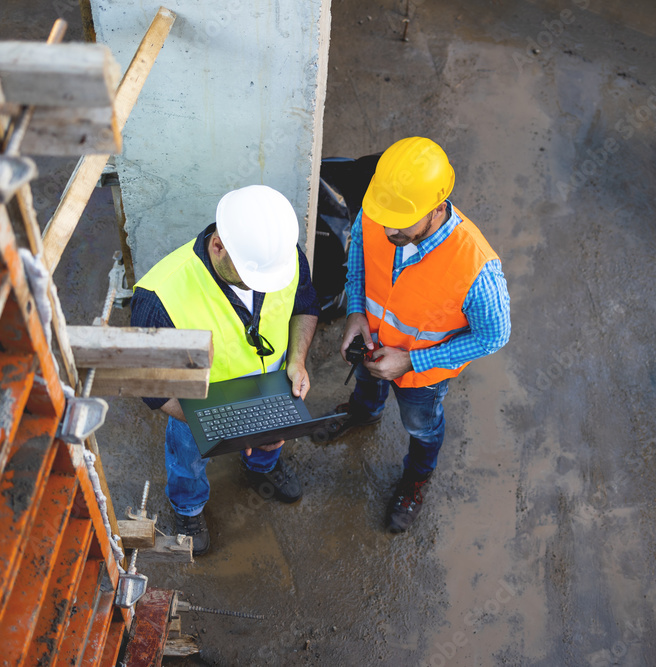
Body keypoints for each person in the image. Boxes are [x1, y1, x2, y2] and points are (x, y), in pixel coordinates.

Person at [131, 185, 319, 555]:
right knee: (187, 455)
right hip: (199, 405)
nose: (261, 287)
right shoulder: (160, 298)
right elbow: (153, 387)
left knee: (270, 438)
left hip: (272, 384)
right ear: (218, 246)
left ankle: (262, 467)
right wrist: (226, 424)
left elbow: (304, 306)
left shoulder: (281, 258)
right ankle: (188, 507)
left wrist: (296, 360)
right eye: (252, 279)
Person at [337, 137, 511, 533]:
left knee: (421, 427)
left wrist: (412, 361)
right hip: (371, 344)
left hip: (423, 376)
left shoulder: (477, 267)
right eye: (385, 216)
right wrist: (355, 312)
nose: (389, 227)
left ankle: (417, 478)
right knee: (366, 386)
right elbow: (358, 262)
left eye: (401, 221)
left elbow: (494, 336)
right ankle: (365, 412)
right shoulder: (379, 209)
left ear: (436, 208)